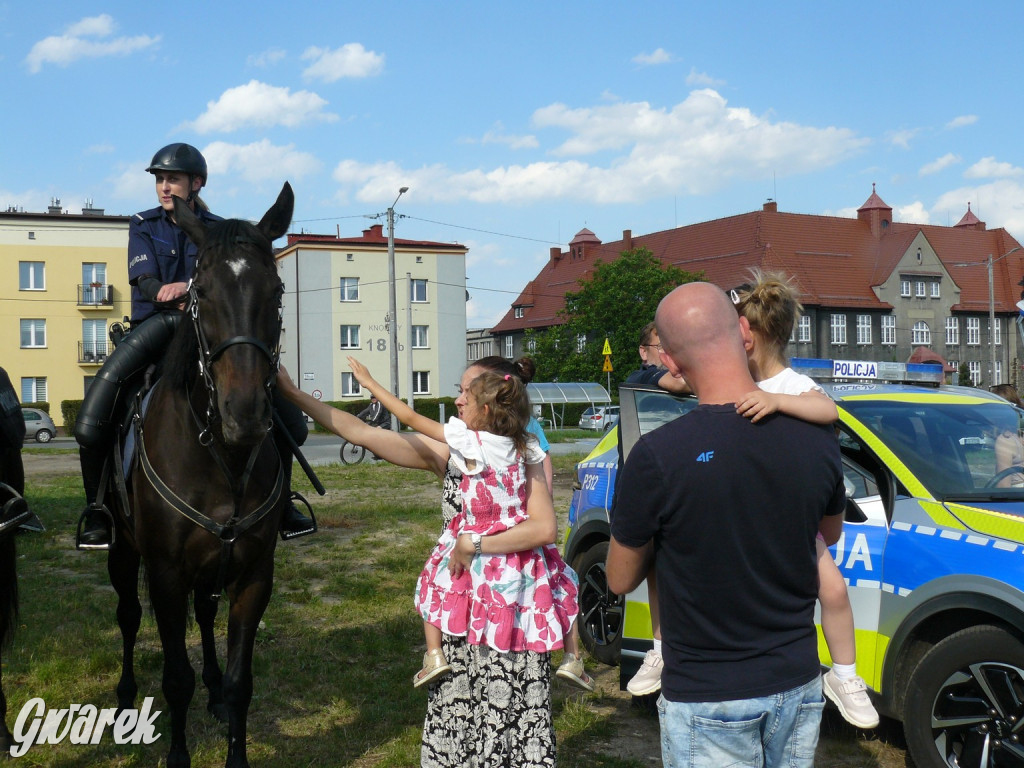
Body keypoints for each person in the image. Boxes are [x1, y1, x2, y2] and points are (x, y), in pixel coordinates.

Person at [277, 359, 575, 766]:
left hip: (511, 613)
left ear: (492, 401)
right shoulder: (453, 450)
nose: (458, 399)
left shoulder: (526, 456)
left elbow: (543, 529)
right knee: (458, 711)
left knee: (510, 712)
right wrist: (293, 395)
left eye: (467, 389)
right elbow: (362, 432)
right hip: (462, 606)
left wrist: (473, 542)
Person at [606, 282, 846, 768]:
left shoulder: (656, 455)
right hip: (797, 681)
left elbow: (618, 578)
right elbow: (830, 534)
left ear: (670, 362)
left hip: (707, 691)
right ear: (741, 330)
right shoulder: (817, 436)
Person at [74, 142, 314, 549]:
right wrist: (166, 290)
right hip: (156, 323)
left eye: (173, 179)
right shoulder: (143, 224)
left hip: (207, 329)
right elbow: (143, 279)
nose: (165, 187)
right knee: (95, 411)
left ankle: (283, 502)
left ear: (196, 182)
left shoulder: (219, 229)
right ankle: (99, 510)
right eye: (160, 179)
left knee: (288, 418)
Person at [733, 270, 879, 729]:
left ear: (749, 336)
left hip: (790, 519)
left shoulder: (793, 385)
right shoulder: (733, 378)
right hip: (745, 516)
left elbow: (828, 410)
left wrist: (776, 404)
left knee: (833, 588)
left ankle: (845, 676)